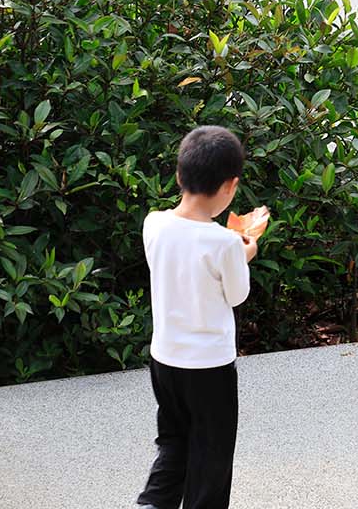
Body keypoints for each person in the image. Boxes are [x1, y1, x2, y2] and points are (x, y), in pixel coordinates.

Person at [137, 125, 266, 509]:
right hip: (209, 367)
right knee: (211, 454)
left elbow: (180, 264)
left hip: (165, 360)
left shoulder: (154, 223)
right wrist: (247, 251)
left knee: (174, 440)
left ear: (179, 175)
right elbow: (237, 294)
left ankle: (151, 505)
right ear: (230, 186)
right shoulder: (224, 242)